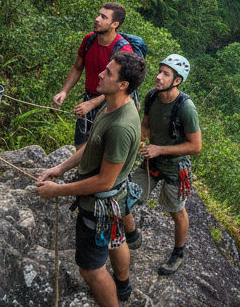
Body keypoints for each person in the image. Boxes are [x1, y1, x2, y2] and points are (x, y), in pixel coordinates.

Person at [36, 53, 146, 307]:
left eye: (108, 72)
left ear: (123, 85)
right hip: (113, 202)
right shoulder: (112, 105)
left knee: (91, 270)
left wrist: (58, 191)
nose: (100, 73)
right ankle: (123, 285)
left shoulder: (120, 126)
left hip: (99, 205)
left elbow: (104, 182)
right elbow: (92, 145)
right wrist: (61, 167)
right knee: (115, 239)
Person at [123, 54, 201, 276]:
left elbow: (195, 146)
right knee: (125, 197)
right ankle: (132, 236)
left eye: (165, 74)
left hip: (176, 169)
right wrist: (139, 139)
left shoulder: (186, 108)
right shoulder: (151, 96)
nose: (158, 77)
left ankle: (178, 253)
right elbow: (146, 125)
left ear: (177, 80)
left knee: (177, 212)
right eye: (159, 71)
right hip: (152, 162)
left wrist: (160, 149)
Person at [54, 3, 135, 146]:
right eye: (99, 14)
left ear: (114, 24)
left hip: (112, 104)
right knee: (81, 144)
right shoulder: (89, 40)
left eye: (104, 17)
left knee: (100, 147)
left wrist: (92, 104)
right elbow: (77, 67)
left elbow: (119, 88)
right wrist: (64, 91)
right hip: (89, 97)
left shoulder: (124, 51)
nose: (97, 19)